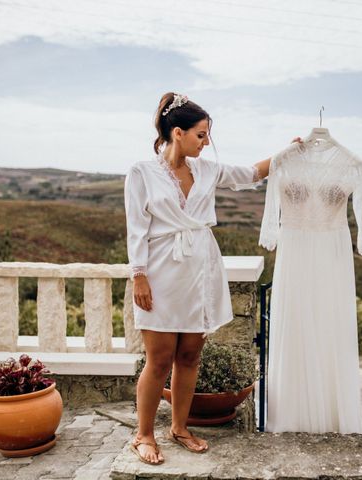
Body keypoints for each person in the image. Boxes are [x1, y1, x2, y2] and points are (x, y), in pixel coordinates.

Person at [125, 92, 298, 464]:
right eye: (201, 135)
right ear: (177, 133)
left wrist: (287, 153)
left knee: (189, 354)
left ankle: (180, 427)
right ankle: (143, 434)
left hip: (200, 269)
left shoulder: (206, 170)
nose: (206, 142)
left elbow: (251, 174)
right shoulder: (142, 172)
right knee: (158, 359)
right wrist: (139, 275)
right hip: (159, 269)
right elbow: (136, 228)